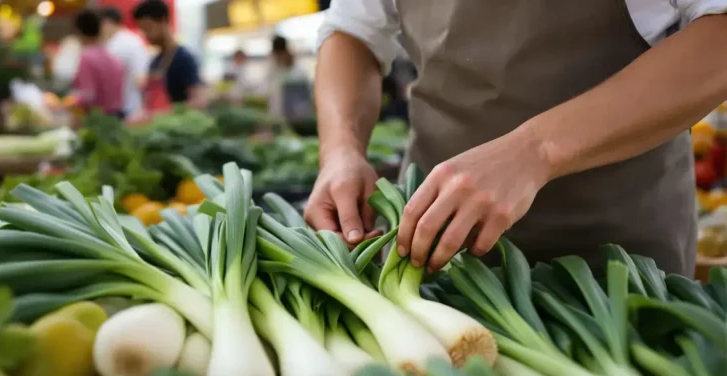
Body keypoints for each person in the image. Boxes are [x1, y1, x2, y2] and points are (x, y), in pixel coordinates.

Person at [306, 0, 727, 276]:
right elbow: (353, 32)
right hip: (437, 254)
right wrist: (341, 150)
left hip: (616, 261)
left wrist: (536, 150)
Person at [132, 0, 208, 110]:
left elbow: (200, 101)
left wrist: (167, 112)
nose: (146, 35)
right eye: (142, 30)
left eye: (148, 28)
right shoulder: (155, 61)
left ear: (163, 21)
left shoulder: (183, 58)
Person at [69, 10, 125, 117]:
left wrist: (71, 105)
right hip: (116, 116)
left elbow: (88, 96)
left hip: (98, 119)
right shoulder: (110, 56)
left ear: (79, 32)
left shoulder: (87, 57)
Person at [100, 7, 150, 117]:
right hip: (118, 107)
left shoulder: (130, 43)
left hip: (128, 108)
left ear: (107, 23)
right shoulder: (111, 43)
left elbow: (141, 79)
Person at [267, 36, 313, 122]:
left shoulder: (296, 69)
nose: (278, 56)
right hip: (279, 115)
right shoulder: (272, 68)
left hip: (296, 117)